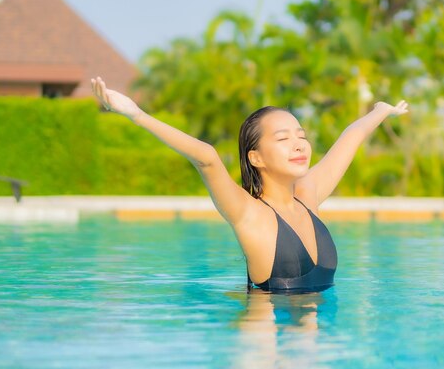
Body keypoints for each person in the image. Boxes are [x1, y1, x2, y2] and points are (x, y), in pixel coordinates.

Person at [91, 77, 408, 294]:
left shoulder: (307, 199)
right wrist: (136, 114)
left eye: (301, 136)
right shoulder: (248, 214)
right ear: (255, 157)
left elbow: (350, 139)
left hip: (315, 340)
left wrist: (381, 110)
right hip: (263, 339)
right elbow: (207, 158)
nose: (299, 145)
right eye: (283, 139)